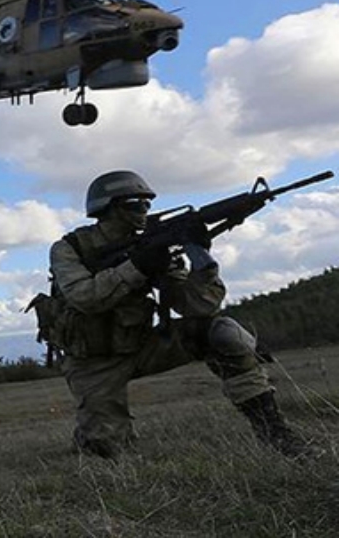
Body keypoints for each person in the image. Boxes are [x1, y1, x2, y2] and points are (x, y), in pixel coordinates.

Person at [49, 170, 308, 459]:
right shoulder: (69, 248)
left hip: (142, 346)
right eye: (136, 204)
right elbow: (85, 297)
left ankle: (278, 436)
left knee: (223, 332)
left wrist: (201, 261)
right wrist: (137, 267)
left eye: (147, 204)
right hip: (92, 362)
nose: (144, 211)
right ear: (108, 208)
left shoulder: (151, 246)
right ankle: (89, 435)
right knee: (105, 451)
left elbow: (197, 307)